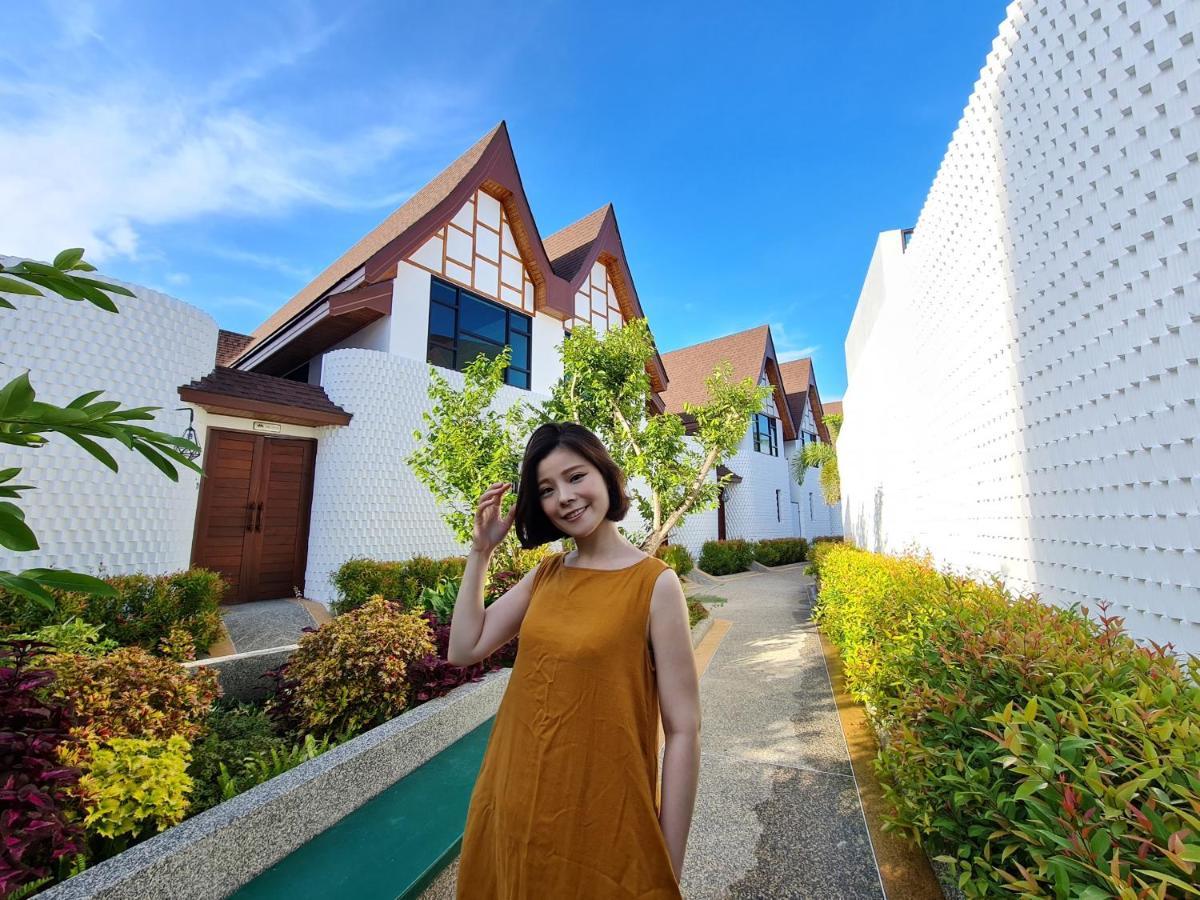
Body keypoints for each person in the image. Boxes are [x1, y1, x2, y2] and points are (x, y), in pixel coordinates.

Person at [448, 421, 701, 899]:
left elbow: (684, 729)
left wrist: (668, 862)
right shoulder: (546, 575)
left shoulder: (655, 583)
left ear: (605, 474)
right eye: (547, 489)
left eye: (576, 476)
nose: (564, 497)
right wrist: (481, 552)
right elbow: (464, 648)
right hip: (513, 800)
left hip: (602, 816)